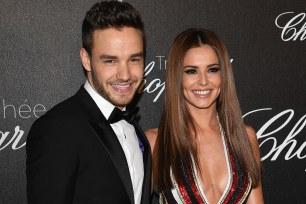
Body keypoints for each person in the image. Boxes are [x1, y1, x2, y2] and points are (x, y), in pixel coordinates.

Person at [26, 1, 151, 203]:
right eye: (110, 60)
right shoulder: (57, 129)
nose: (125, 74)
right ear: (86, 59)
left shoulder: (136, 131)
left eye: (134, 59)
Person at [146, 28, 264, 203]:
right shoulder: (156, 142)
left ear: (223, 75)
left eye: (212, 70)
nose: (203, 81)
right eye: (191, 71)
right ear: (177, 76)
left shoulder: (245, 138)